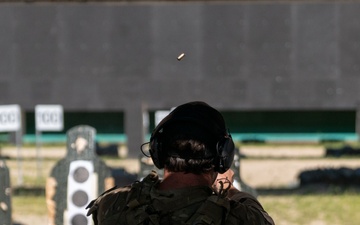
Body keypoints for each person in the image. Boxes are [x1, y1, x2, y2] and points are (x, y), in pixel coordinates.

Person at [87, 101, 275, 225]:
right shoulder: (237, 217)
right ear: (223, 155)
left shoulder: (115, 204)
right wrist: (229, 190)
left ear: (157, 150)